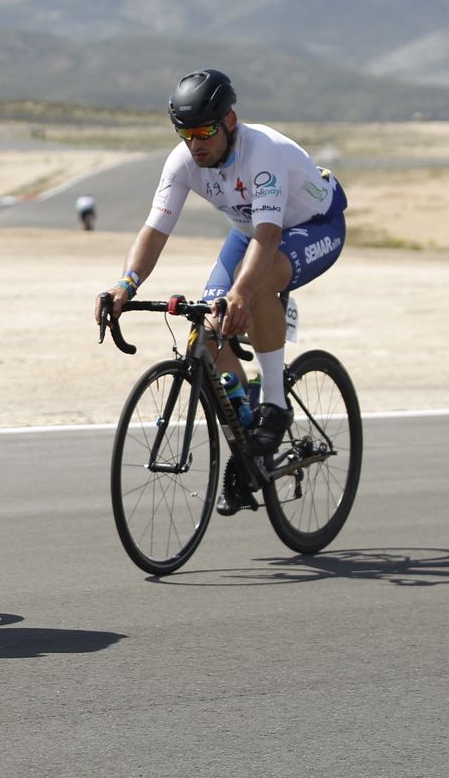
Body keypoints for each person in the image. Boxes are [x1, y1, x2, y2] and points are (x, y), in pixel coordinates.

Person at [94, 69, 347, 515]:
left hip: (311, 225)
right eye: (186, 134)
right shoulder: (183, 161)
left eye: (205, 131)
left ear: (230, 120)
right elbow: (155, 230)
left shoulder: (262, 151)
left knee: (256, 287)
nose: (196, 144)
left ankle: (274, 405)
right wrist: (125, 284)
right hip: (251, 229)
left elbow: (268, 241)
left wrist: (243, 295)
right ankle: (248, 439)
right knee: (209, 326)